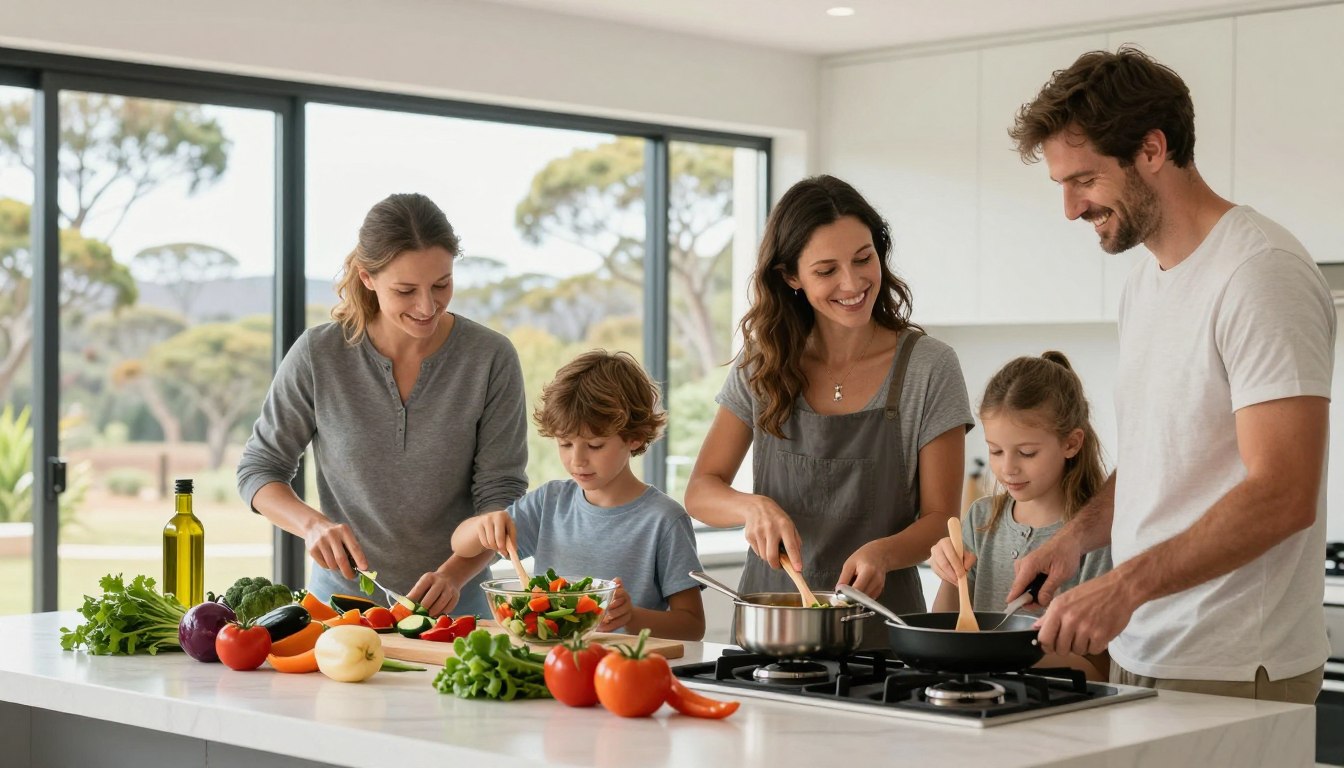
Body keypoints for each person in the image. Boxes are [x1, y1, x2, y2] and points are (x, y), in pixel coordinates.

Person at [1005, 46, 1334, 703]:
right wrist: (1075, 540)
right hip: (1144, 646)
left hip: (1235, 661)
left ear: (1152, 149)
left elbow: (1284, 492)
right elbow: (1165, 463)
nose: (1071, 208)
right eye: (1062, 185)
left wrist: (1125, 584)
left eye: (1085, 180)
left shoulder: (1258, 274)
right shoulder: (1144, 284)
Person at [685, 174, 973, 641]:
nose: (853, 282)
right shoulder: (763, 363)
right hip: (771, 628)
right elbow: (701, 490)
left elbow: (942, 517)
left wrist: (883, 553)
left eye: (864, 259)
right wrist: (752, 507)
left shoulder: (928, 366)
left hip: (882, 631)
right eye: (826, 270)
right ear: (791, 277)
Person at [237, 193, 529, 618]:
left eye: (441, 284)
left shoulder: (490, 357)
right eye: (405, 290)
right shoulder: (319, 354)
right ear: (367, 277)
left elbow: (500, 495)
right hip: (339, 609)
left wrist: (452, 575)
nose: (427, 306)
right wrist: (311, 524)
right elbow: (259, 469)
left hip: (457, 611)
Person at [451, 350, 705, 640]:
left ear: (634, 437)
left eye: (595, 445)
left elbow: (692, 626)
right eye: (565, 443)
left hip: (626, 669)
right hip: (554, 663)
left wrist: (632, 617)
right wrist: (482, 525)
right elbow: (460, 544)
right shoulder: (550, 502)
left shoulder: (665, 520)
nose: (577, 460)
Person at [928, 352, 1112, 680]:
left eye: (1027, 453)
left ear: (1071, 443)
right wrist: (948, 574)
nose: (1007, 468)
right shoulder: (981, 519)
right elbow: (947, 632)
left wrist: (1006, 652)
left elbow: (1097, 671)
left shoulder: (1094, 534)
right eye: (995, 451)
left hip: (1058, 711)